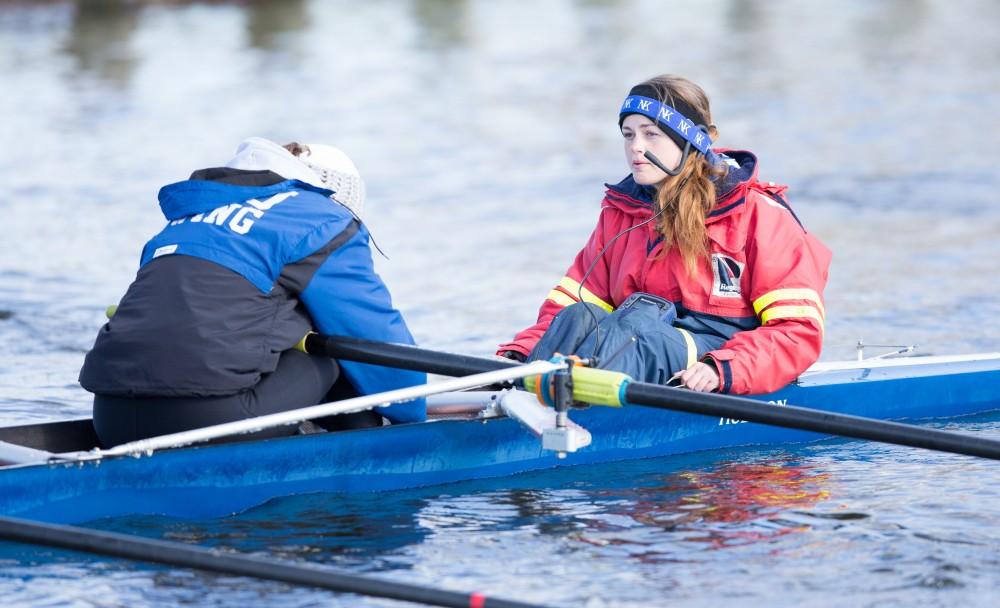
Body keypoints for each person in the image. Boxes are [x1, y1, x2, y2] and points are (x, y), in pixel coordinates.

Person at [79, 137, 426, 447]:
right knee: (341, 345)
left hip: (111, 418)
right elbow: (375, 334)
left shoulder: (186, 221)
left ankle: (313, 428)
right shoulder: (322, 218)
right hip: (204, 423)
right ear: (340, 197)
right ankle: (362, 451)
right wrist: (415, 417)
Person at [497, 75, 831, 395]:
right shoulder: (620, 212)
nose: (635, 148)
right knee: (581, 316)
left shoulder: (760, 215)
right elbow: (570, 306)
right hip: (633, 341)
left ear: (692, 140)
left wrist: (723, 369)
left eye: (651, 134)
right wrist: (519, 354)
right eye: (628, 135)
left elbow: (796, 331)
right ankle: (522, 389)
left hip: (720, 354)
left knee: (639, 334)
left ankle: (565, 413)